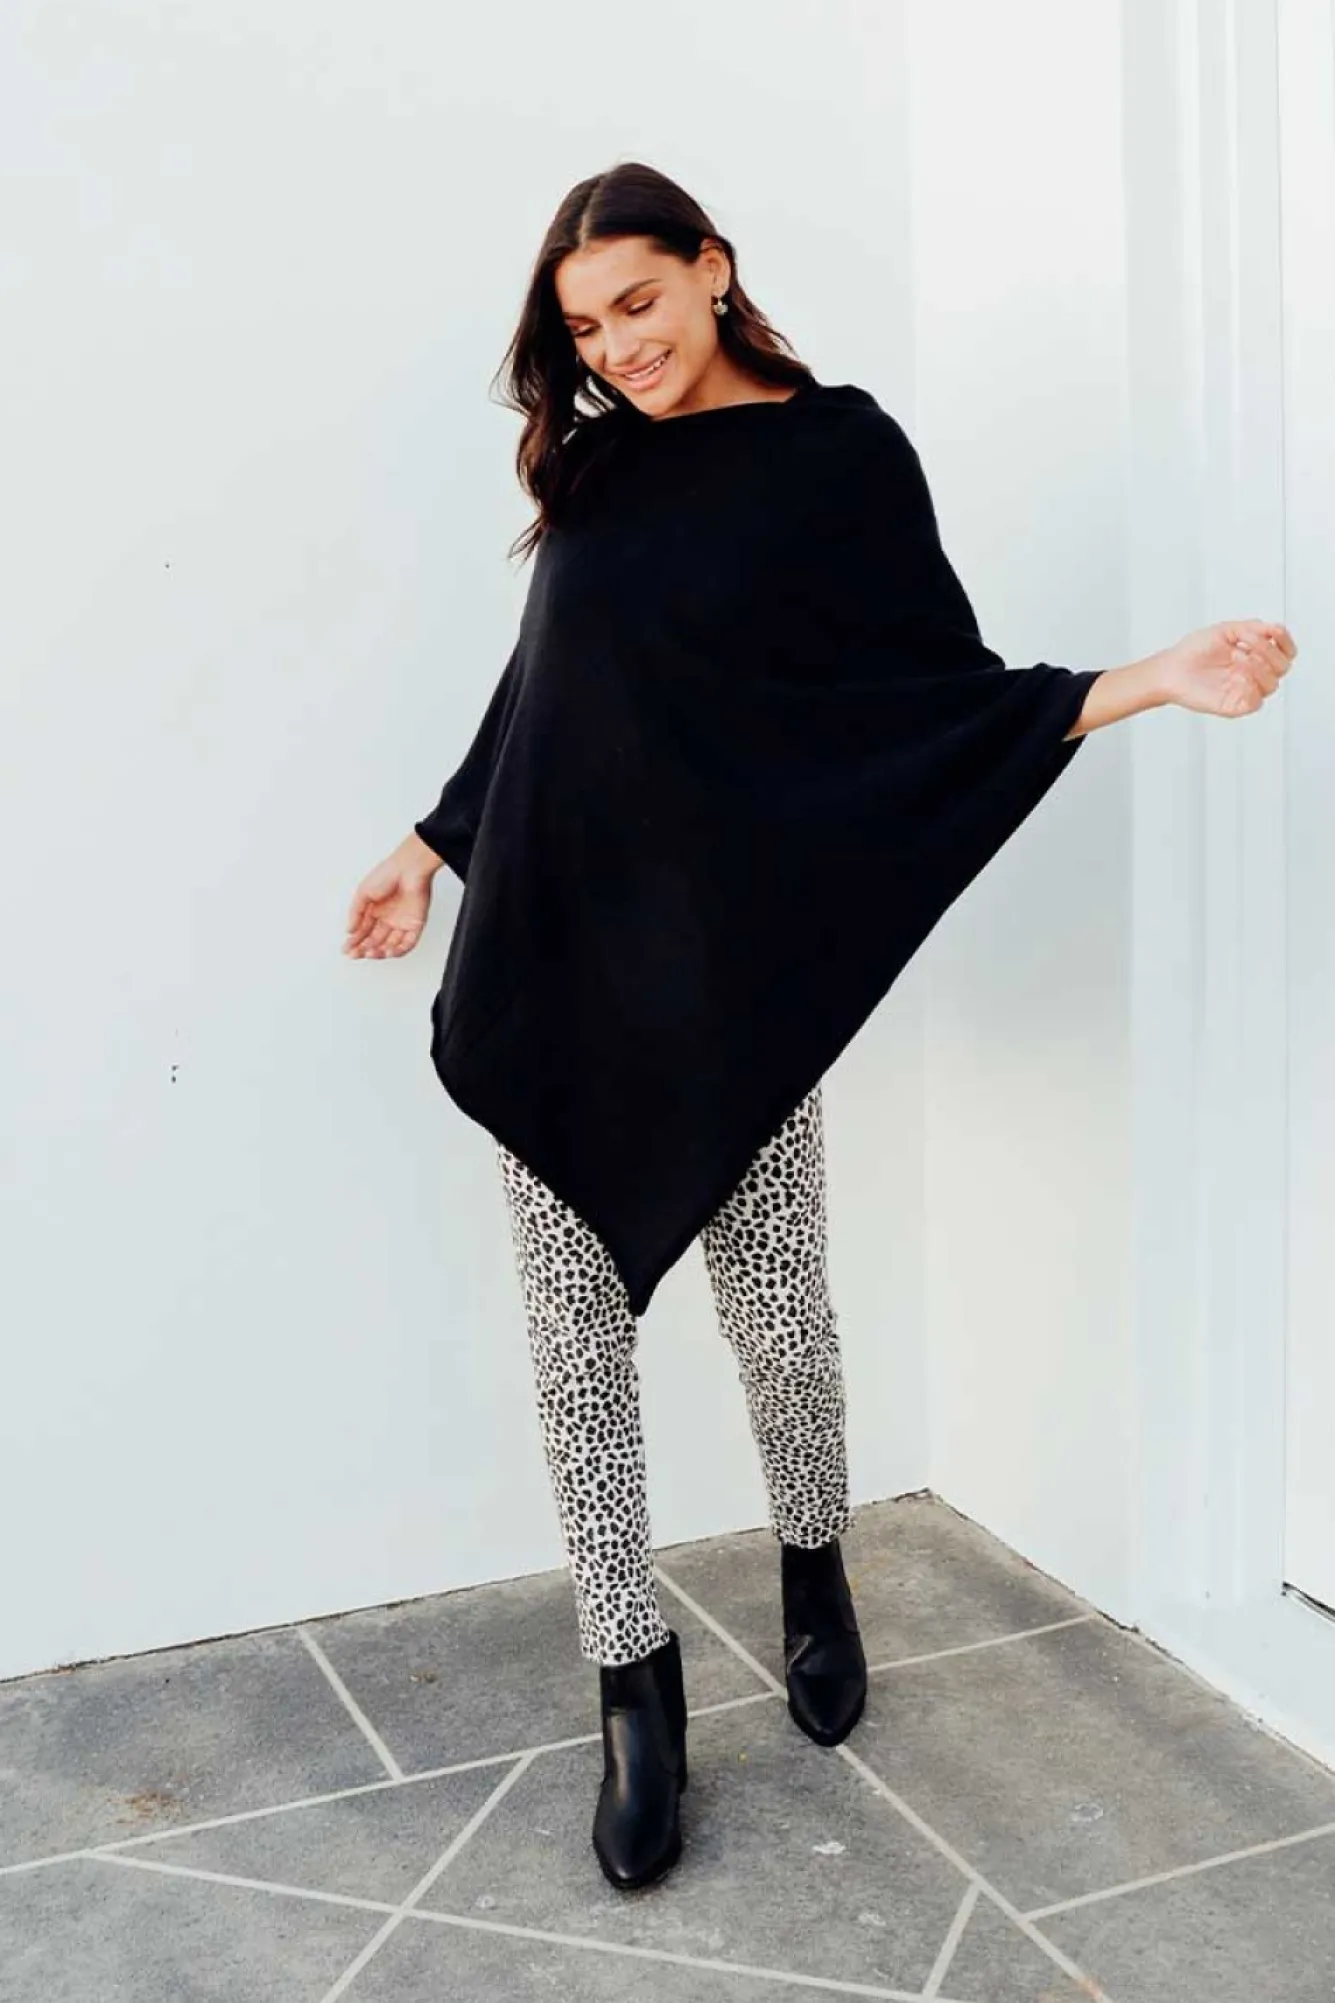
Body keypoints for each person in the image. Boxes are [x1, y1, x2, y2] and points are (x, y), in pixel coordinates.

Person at [342, 161, 1296, 1893]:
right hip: (559, 951)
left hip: (731, 971)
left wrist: (1151, 678)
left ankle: (811, 1561)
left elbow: (926, 696)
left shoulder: (841, 455)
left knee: (776, 1316)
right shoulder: (598, 467)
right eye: (583, 327)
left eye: (637, 302)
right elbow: (552, 683)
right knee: (574, 1345)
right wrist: (432, 839)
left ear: (712, 267)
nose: (615, 347)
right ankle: (632, 1687)